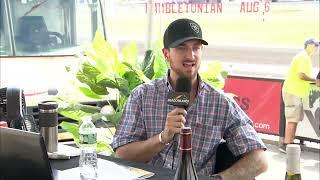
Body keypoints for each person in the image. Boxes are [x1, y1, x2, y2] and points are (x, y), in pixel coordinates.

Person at [111, 18, 268, 179]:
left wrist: (218, 179)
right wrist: (162, 138)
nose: (190, 55)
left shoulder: (220, 103)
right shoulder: (142, 96)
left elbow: (259, 160)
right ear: (166, 54)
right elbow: (122, 155)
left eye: (196, 48)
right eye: (181, 48)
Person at [280, 37, 319, 153]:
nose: (316, 48)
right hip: (293, 91)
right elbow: (301, 75)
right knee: (292, 119)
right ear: (309, 45)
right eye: (315, 45)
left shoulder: (305, 57)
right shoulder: (303, 57)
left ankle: (290, 142)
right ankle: (287, 144)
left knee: (295, 118)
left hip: (295, 91)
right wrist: (315, 80)